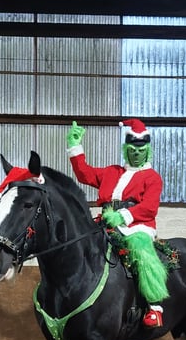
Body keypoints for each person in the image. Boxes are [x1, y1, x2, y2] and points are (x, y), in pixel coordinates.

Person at [66, 118, 169, 328]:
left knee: (141, 251)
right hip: (105, 222)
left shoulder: (152, 177)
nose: (137, 153)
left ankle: (154, 307)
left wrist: (123, 216)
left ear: (147, 150)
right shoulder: (112, 172)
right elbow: (84, 173)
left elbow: (150, 207)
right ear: (126, 149)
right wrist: (74, 145)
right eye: (132, 149)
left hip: (136, 226)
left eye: (141, 150)